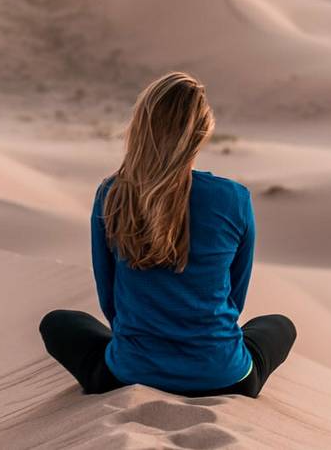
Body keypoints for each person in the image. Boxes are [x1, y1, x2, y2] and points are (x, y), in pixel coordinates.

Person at [39, 72, 296, 398]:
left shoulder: (113, 194)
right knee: (279, 325)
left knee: (59, 323)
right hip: (223, 374)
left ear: (140, 127)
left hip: (129, 372)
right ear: (202, 133)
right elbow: (235, 298)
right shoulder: (234, 198)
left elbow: (110, 301)